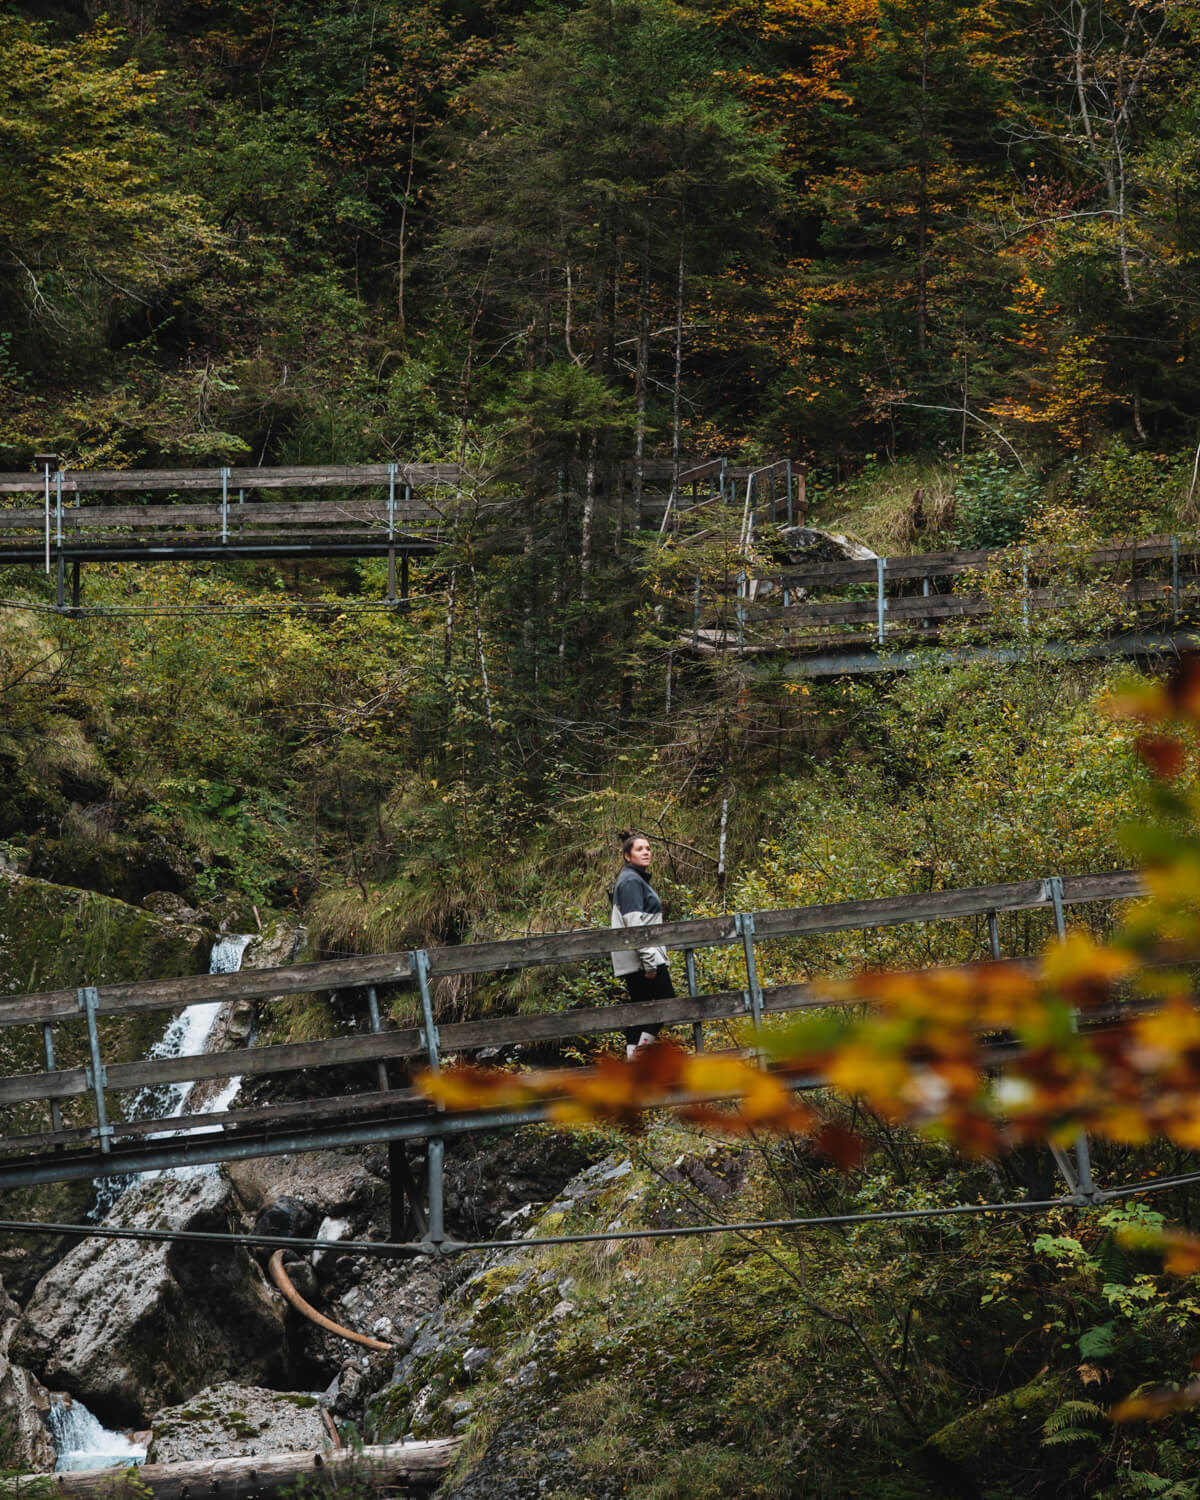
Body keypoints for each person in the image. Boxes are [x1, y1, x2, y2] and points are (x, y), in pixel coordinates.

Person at [610, 829, 675, 1058]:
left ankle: (632, 1061)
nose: (646, 852)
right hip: (641, 960)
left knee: (641, 1011)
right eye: (639, 849)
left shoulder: (634, 880)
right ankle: (638, 1058)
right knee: (666, 1003)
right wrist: (650, 962)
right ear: (628, 856)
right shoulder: (630, 881)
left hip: (639, 958)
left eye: (648, 848)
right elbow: (634, 924)